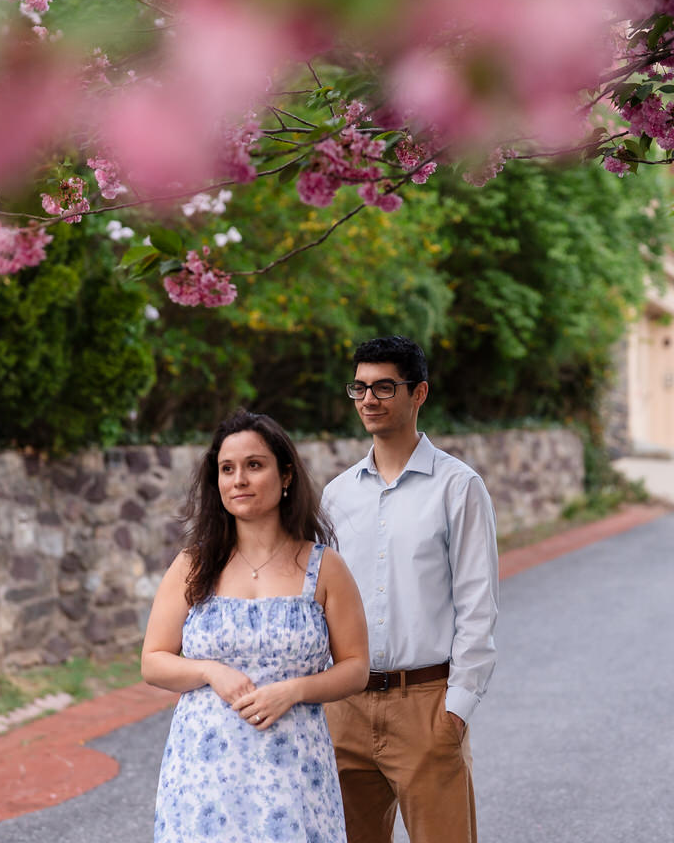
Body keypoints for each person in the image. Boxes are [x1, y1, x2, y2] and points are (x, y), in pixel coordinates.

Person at [143, 409, 370, 843]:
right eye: (226, 469)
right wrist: (210, 671)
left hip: (293, 769)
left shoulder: (323, 568)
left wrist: (295, 690)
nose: (238, 480)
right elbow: (153, 661)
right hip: (203, 773)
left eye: (254, 465)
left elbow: (356, 666)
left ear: (286, 476)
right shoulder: (193, 565)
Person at [321, 336, 499, 843]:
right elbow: (322, 601)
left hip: (426, 706)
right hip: (346, 709)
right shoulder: (337, 495)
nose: (368, 400)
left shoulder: (459, 487)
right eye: (359, 387)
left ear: (418, 393)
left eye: (384, 387)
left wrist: (456, 710)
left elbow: (477, 606)